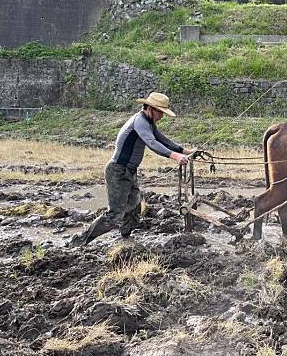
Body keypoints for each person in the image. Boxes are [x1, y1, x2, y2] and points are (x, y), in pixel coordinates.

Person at [69, 92, 194, 246]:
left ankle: (126, 240)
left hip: (129, 172)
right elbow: (152, 143)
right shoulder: (140, 121)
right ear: (150, 108)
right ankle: (80, 242)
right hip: (118, 171)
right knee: (114, 215)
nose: (161, 116)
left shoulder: (148, 122)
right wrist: (175, 156)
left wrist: (183, 150)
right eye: (160, 112)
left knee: (134, 208)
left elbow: (162, 139)